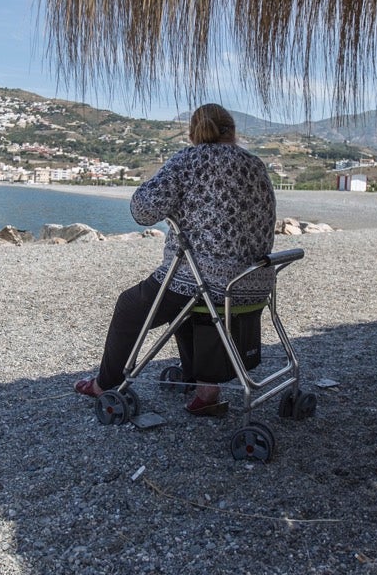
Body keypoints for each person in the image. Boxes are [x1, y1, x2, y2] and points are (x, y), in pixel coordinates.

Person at [75, 103, 277, 416]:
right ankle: (206, 387)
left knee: (130, 306)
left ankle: (105, 384)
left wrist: (150, 182)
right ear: (232, 131)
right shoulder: (255, 164)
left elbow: (143, 212)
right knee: (185, 305)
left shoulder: (189, 160)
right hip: (255, 282)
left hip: (207, 283)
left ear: (194, 133)